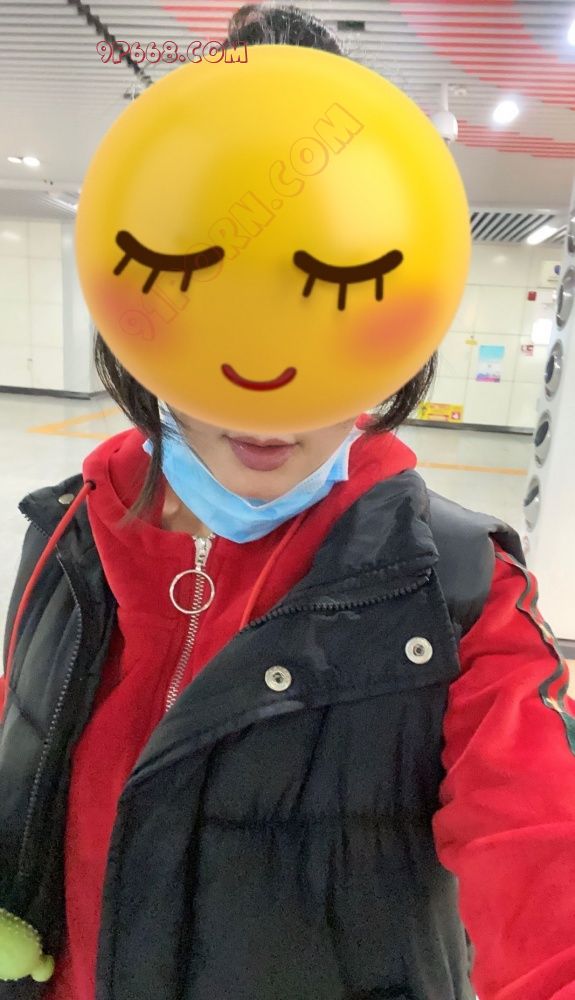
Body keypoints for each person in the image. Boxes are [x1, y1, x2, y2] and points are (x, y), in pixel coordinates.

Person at [1, 6, 575, 1000]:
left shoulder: (457, 594)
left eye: (336, 283)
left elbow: (539, 847)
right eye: (193, 277)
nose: (264, 376)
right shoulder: (64, 531)